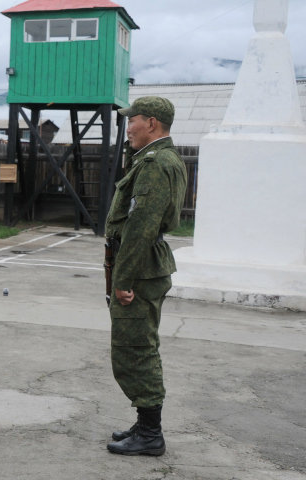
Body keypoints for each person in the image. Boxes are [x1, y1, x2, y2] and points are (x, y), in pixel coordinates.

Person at [104, 96, 187, 456]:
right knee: (139, 345)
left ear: (152, 123)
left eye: (133, 120)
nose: (129, 127)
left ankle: (151, 434)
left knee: (135, 349)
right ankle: (145, 423)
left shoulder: (155, 163)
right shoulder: (155, 158)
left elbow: (140, 226)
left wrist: (123, 279)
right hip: (144, 265)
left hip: (140, 269)